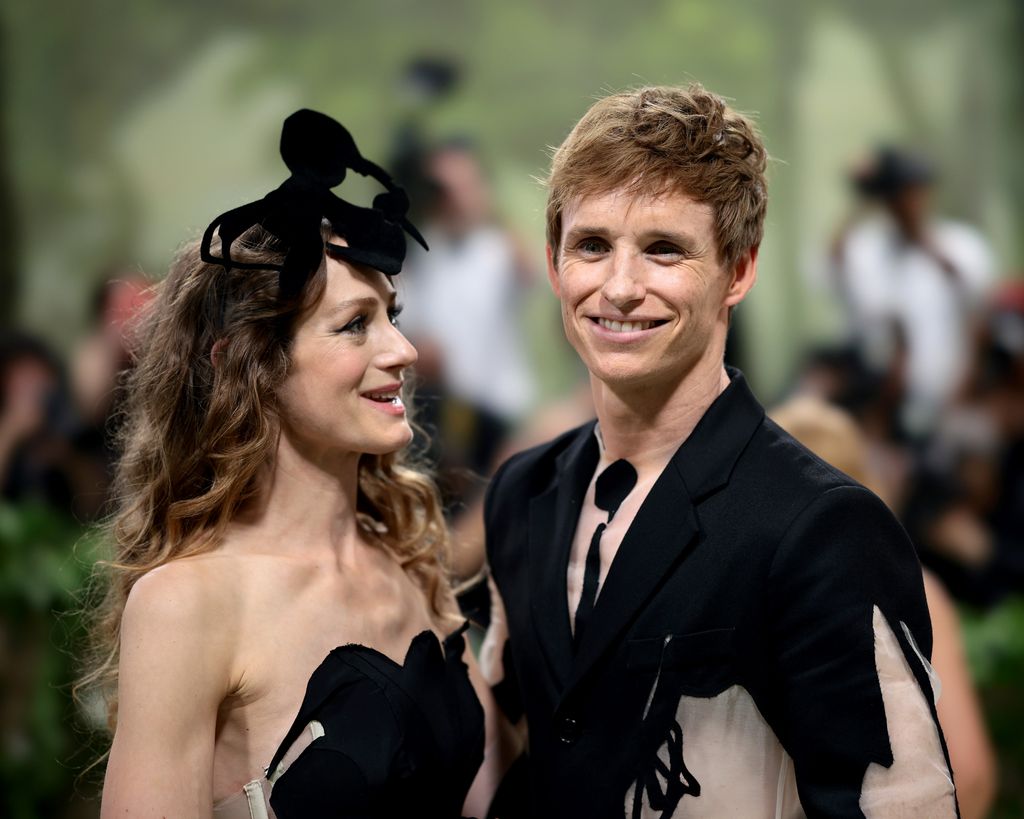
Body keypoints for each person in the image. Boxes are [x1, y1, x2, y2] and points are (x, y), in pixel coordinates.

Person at [482, 85, 959, 817]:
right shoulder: (523, 492)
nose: (619, 286)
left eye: (664, 249)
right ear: (553, 265)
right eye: (592, 245)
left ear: (738, 271)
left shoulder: (824, 528)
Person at [81, 110, 502, 818]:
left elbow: (497, 791)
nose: (401, 350)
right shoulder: (187, 603)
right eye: (354, 325)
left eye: (393, 315)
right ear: (249, 365)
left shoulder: (410, 560)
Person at [829, 146, 994, 436]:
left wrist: (923, 240)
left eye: (914, 191)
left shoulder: (961, 244)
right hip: (887, 399)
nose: (907, 203)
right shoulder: (869, 248)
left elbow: (981, 302)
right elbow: (833, 266)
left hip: (952, 395)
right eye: (898, 193)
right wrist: (861, 197)